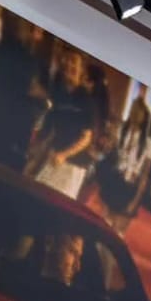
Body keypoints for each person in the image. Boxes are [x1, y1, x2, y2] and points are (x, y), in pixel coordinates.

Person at [0, 13, 47, 170]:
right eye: (38, 31)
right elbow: (30, 87)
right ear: (30, 30)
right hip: (14, 127)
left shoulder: (5, 47)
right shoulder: (25, 57)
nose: (40, 36)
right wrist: (45, 97)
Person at [34, 46, 95, 198]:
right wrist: (38, 149)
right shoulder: (58, 94)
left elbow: (86, 138)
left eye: (73, 62)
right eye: (66, 60)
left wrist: (64, 155)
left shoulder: (86, 99)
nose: (69, 65)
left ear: (81, 70)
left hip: (74, 164)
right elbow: (50, 128)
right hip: (55, 157)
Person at [94, 97, 151, 231]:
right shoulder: (121, 132)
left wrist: (135, 201)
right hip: (114, 181)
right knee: (104, 222)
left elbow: (144, 176)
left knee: (117, 229)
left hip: (129, 188)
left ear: (144, 118)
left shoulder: (148, 144)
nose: (135, 115)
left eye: (139, 113)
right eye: (134, 111)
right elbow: (109, 152)